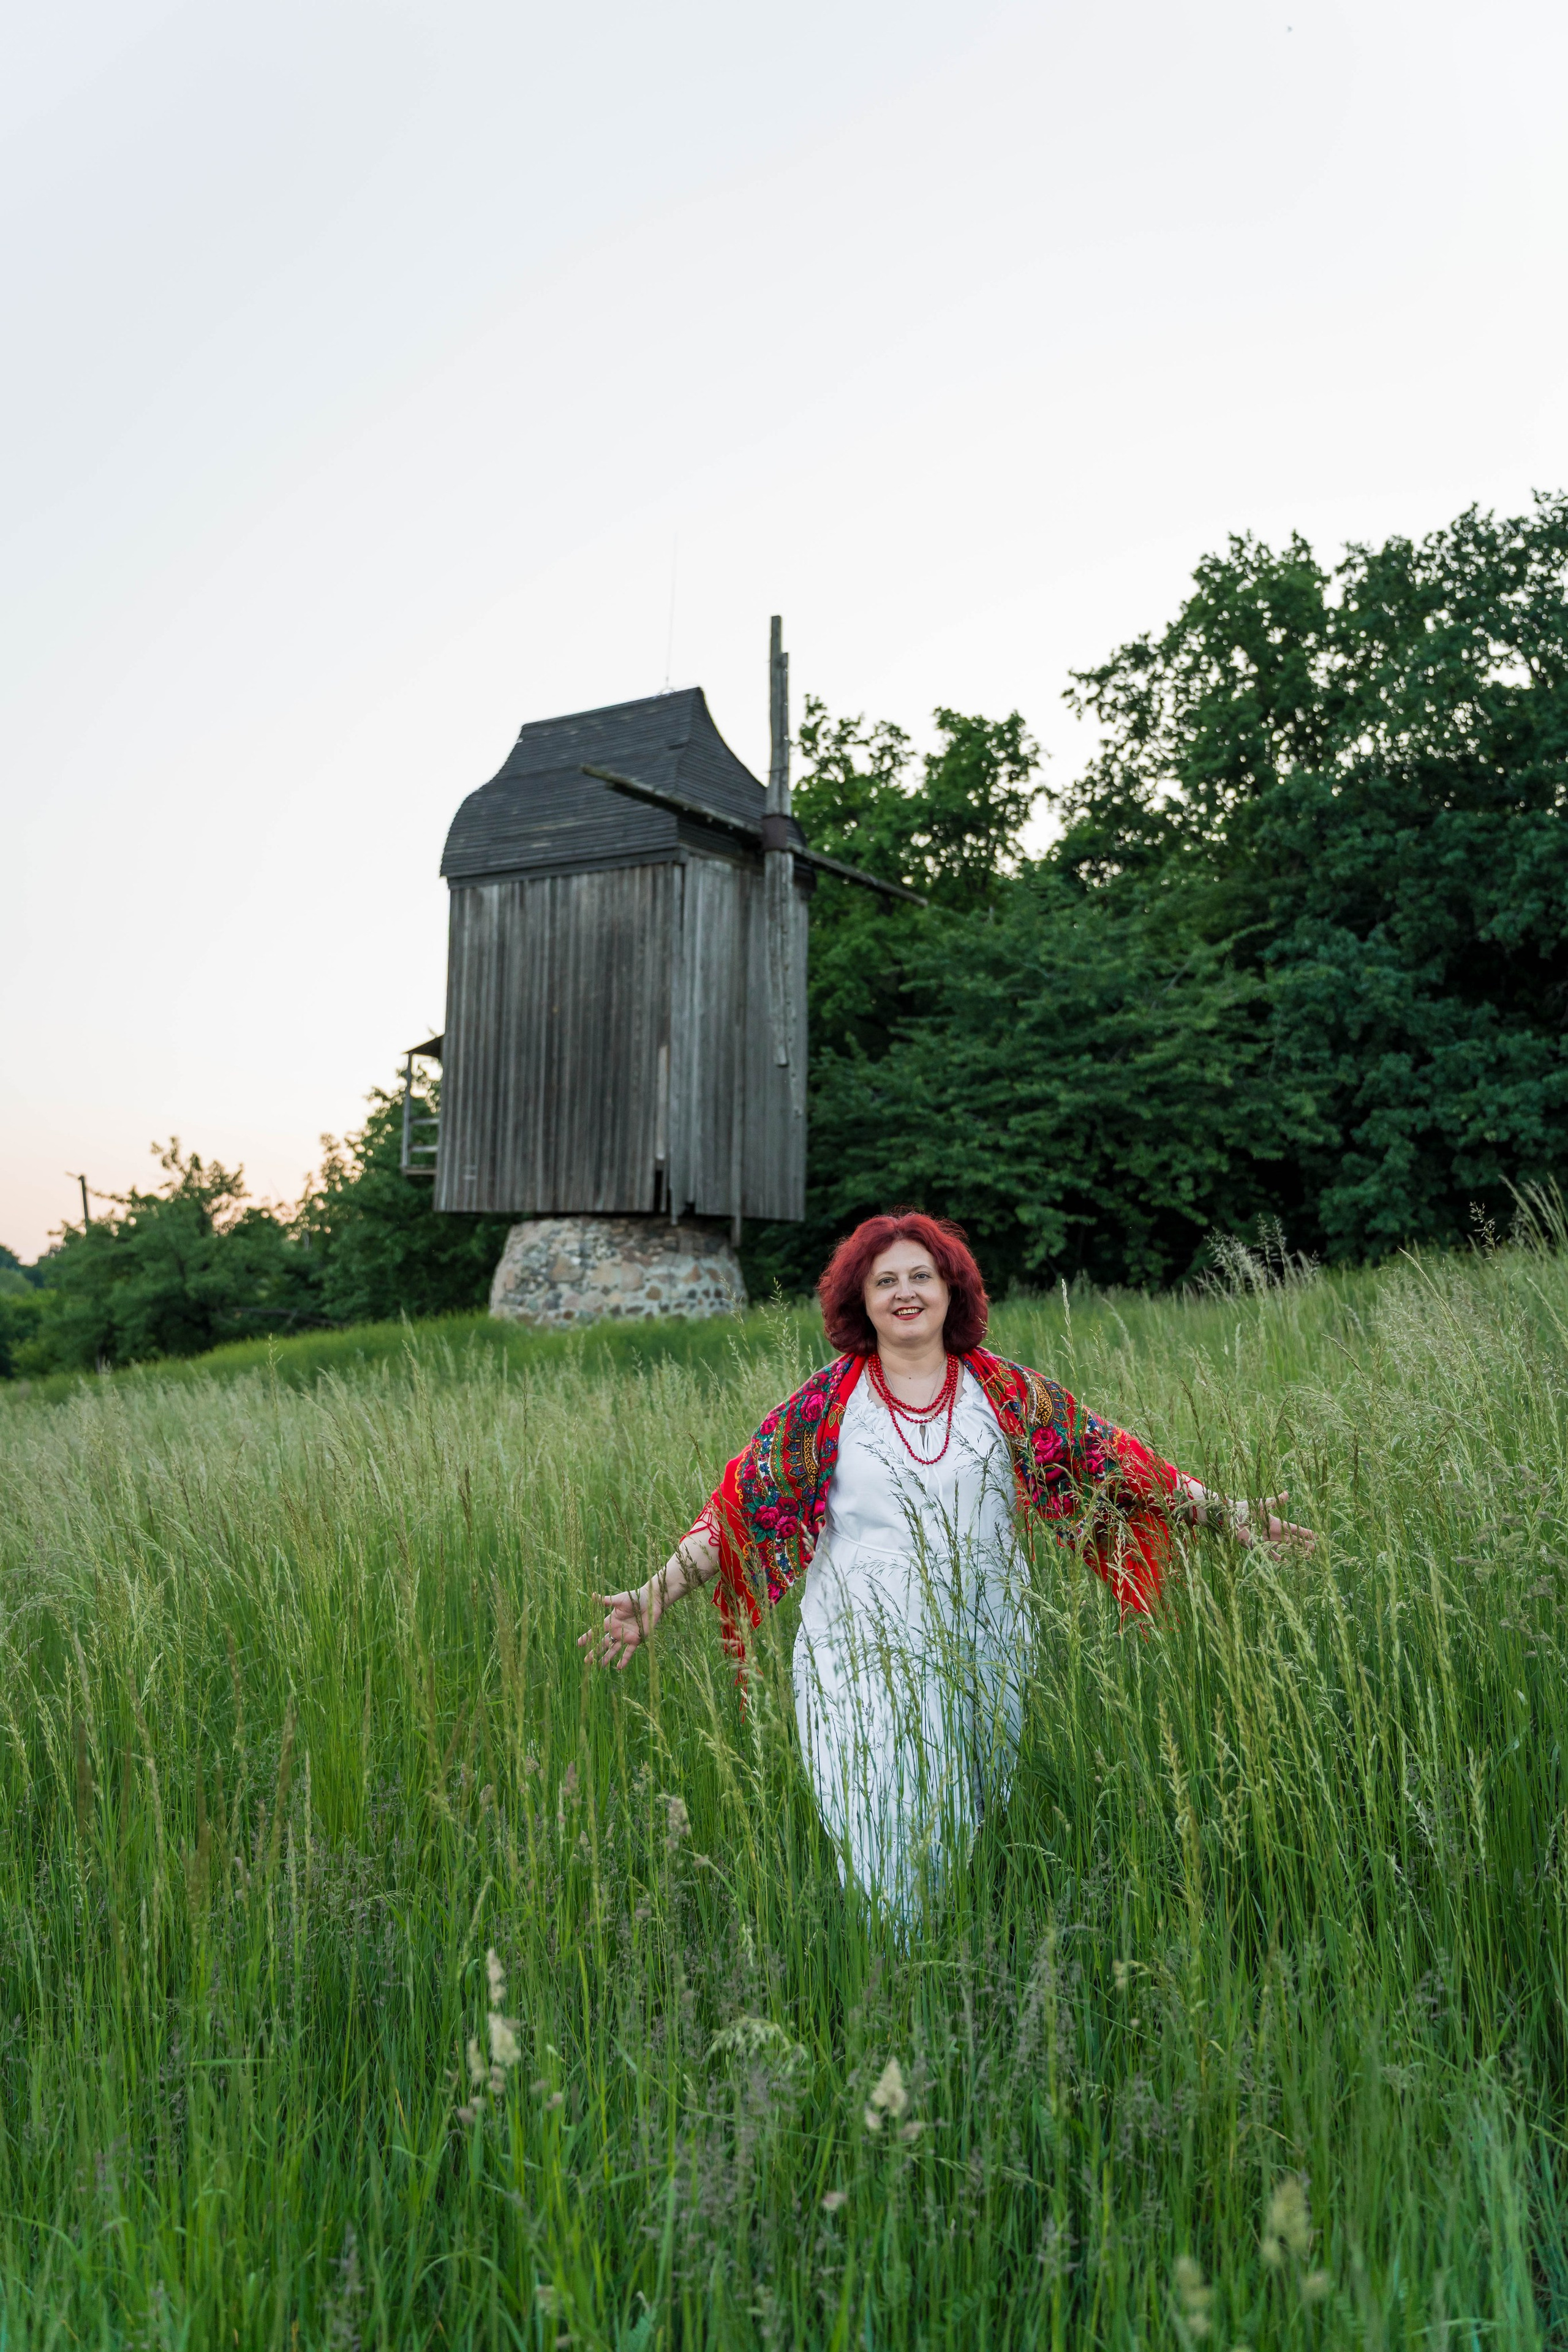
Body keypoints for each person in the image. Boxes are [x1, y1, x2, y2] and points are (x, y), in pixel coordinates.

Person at [581, 1212, 1311, 1922]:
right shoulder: (824, 1407)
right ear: (859, 1303)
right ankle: (888, 1983)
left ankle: (940, 1983)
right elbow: (740, 1514)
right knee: (878, 1830)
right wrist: (655, 1596)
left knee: (958, 1830)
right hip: (857, 1657)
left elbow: (1120, 1466)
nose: (905, 1292)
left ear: (950, 1290)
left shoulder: (1008, 1394)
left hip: (983, 1648)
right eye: (885, 1281)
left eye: (921, 1276)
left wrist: (1229, 1514)